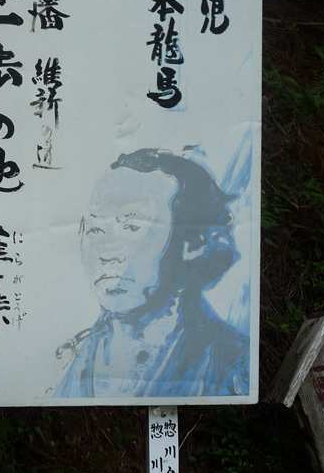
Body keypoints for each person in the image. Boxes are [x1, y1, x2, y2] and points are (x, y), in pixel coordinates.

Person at [53, 148, 250, 398]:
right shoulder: (68, 357)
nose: (106, 250)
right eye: (95, 229)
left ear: (193, 243)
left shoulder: (233, 365)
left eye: (132, 226)